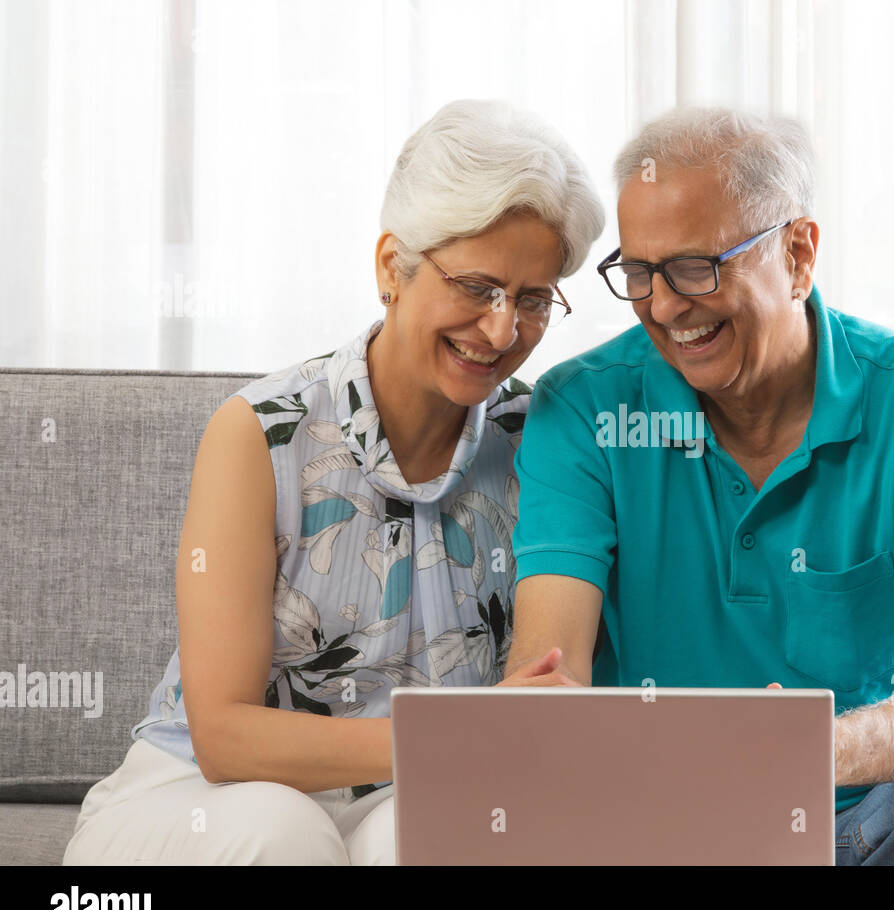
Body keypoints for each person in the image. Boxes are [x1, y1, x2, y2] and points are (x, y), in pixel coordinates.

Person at [62, 99, 604, 865]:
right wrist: (455, 739)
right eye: (478, 286)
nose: (502, 330)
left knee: (440, 838)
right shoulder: (262, 432)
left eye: (534, 298)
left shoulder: (540, 439)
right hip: (205, 798)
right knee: (286, 836)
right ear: (392, 267)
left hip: (417, 793)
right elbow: (223, 737)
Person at [504, 106, 894, 865]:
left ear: (797, 252)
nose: (662, 306)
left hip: (859, 824)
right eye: (639, 273)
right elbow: (550, 668)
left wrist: (811, 751)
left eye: (695, 267)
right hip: (660, 831)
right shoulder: (582, 409)